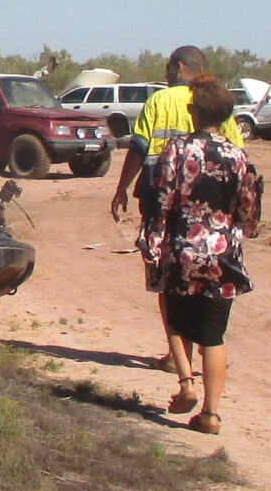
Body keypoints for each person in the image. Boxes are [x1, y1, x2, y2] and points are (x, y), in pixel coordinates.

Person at [110, 46, 247, 393]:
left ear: (179, 67)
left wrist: (122, 188)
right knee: (211, 286)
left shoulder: (160, 101)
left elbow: (139, 148)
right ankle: (210, 347)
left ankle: (178, 358)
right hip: (215, 215)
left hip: (165, 200)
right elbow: (239, 157)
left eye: (169, 67)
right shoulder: (215, 102)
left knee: (168, 281)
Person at [134, 76, 262, 433]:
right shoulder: (238, 156)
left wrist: (152, 242)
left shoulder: (177, 150)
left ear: (194, 111)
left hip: (181, 250)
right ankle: (211, 413)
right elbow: (249, 212)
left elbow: (161, 201)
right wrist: (238, 232)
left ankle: (186, 383)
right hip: (223, 255)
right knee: (213, 334)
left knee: (176, 318)